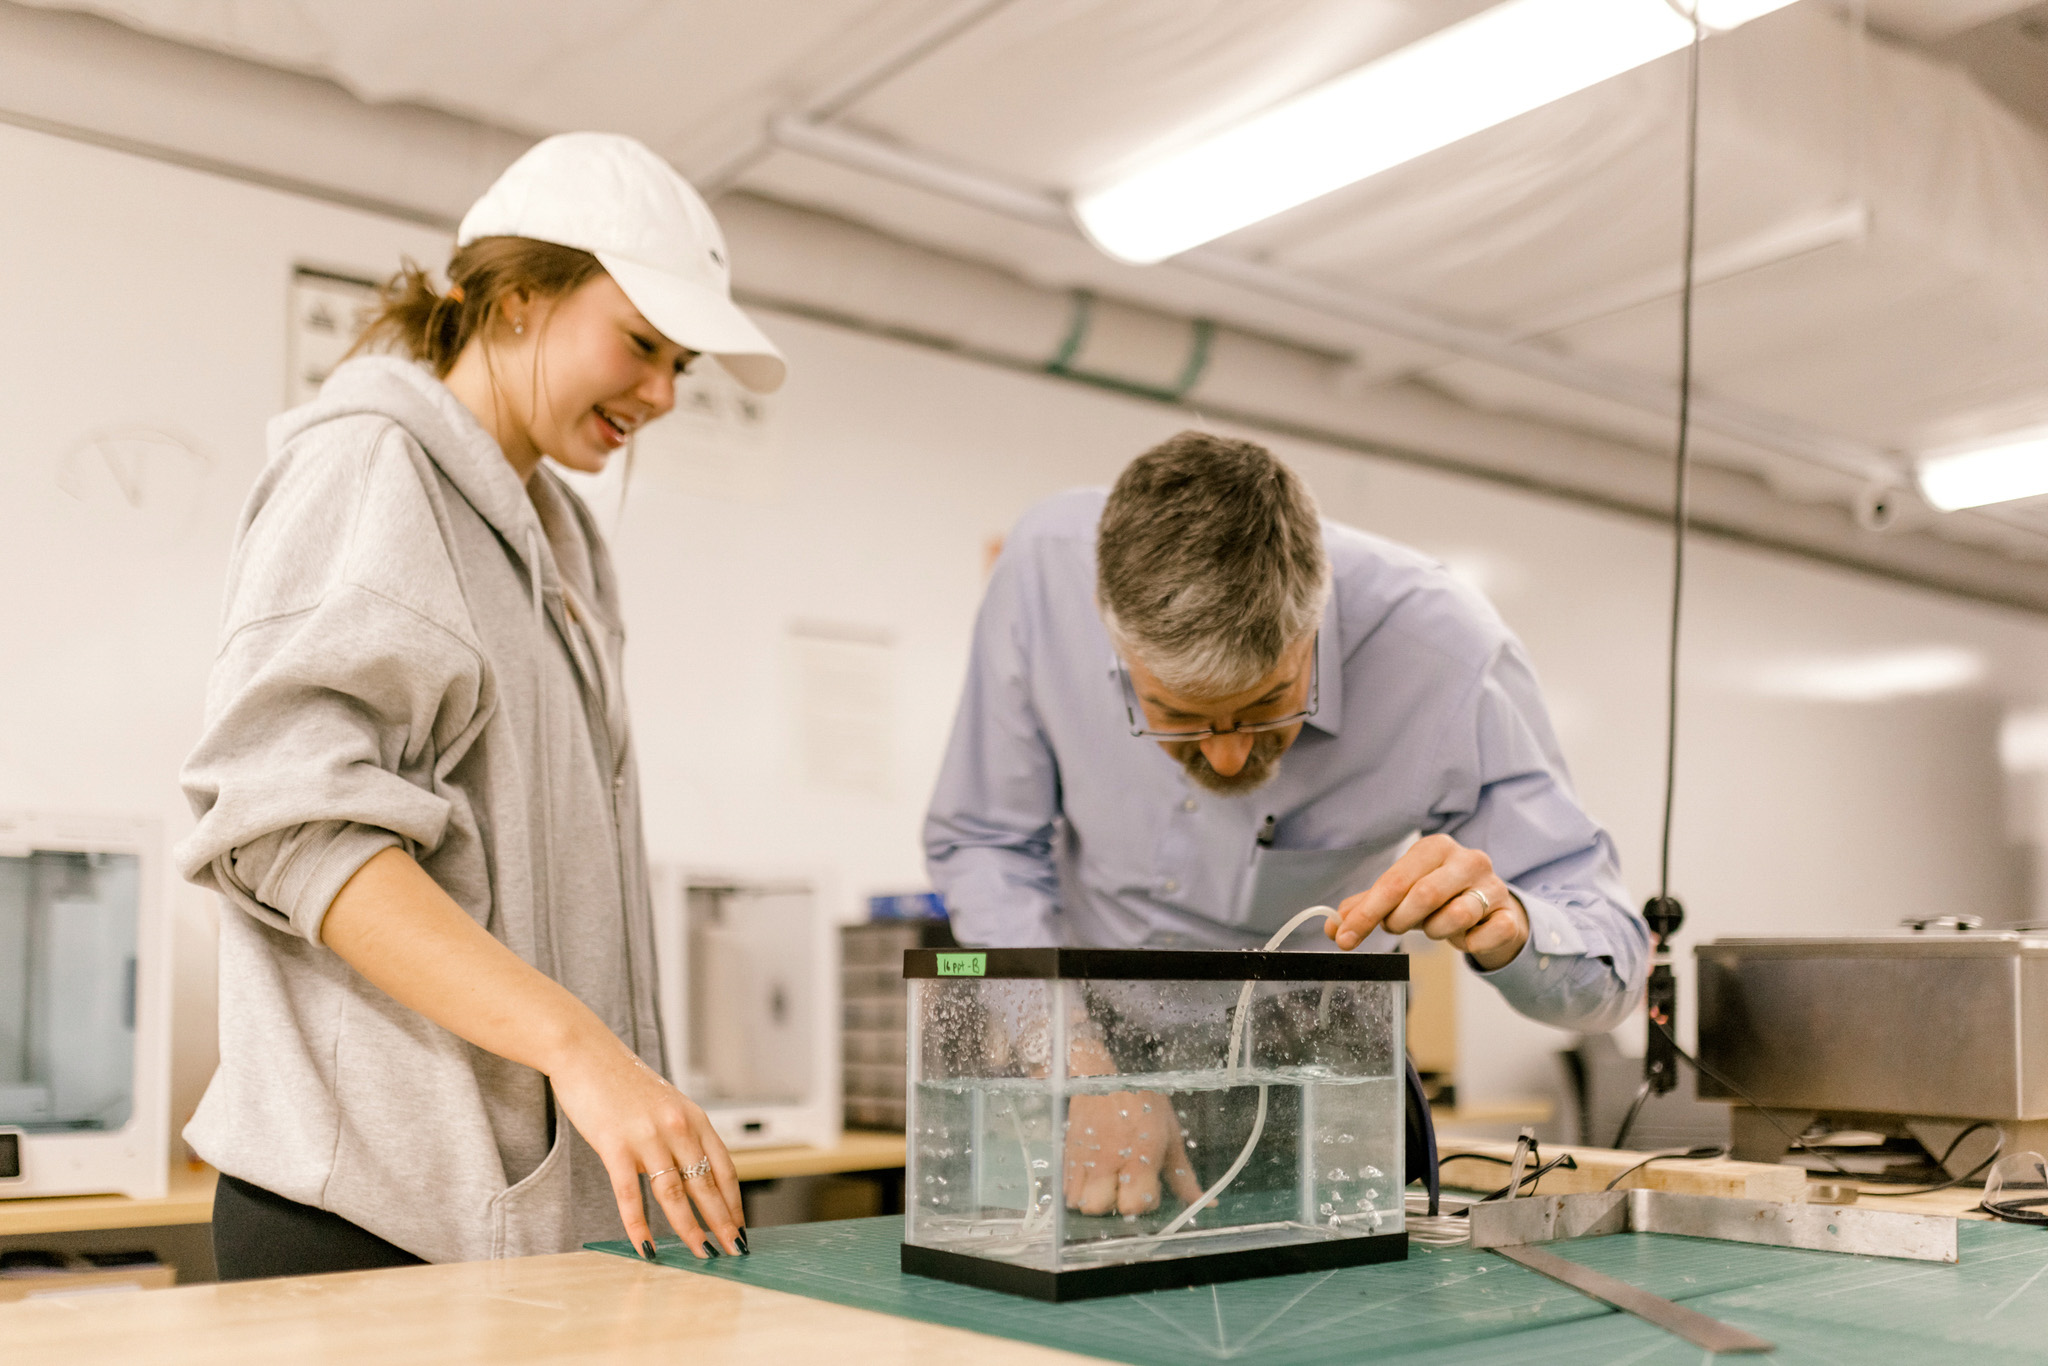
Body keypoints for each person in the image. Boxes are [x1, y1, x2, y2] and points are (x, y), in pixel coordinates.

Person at [177, 133, 785, 1278]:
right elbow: (285, 822)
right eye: (642, 344)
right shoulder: (370, 469)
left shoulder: (558, 544)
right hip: (365, 1219)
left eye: (681, 368)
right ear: (514, 300)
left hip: (500, 1226)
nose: (658, 394)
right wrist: (580, 1049)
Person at [925, 431, 1649, 1214]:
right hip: (1073, 1045)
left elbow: (1612, 969)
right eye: (1177, 717)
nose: (1231, 760)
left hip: (1314, 1082)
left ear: (1317, 615)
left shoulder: (1448, 655)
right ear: (1111, 635)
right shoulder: (1042, 572)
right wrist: (1078, 1067)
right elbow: (985, 842)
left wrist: (1511, 927)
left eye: (1270, 707)